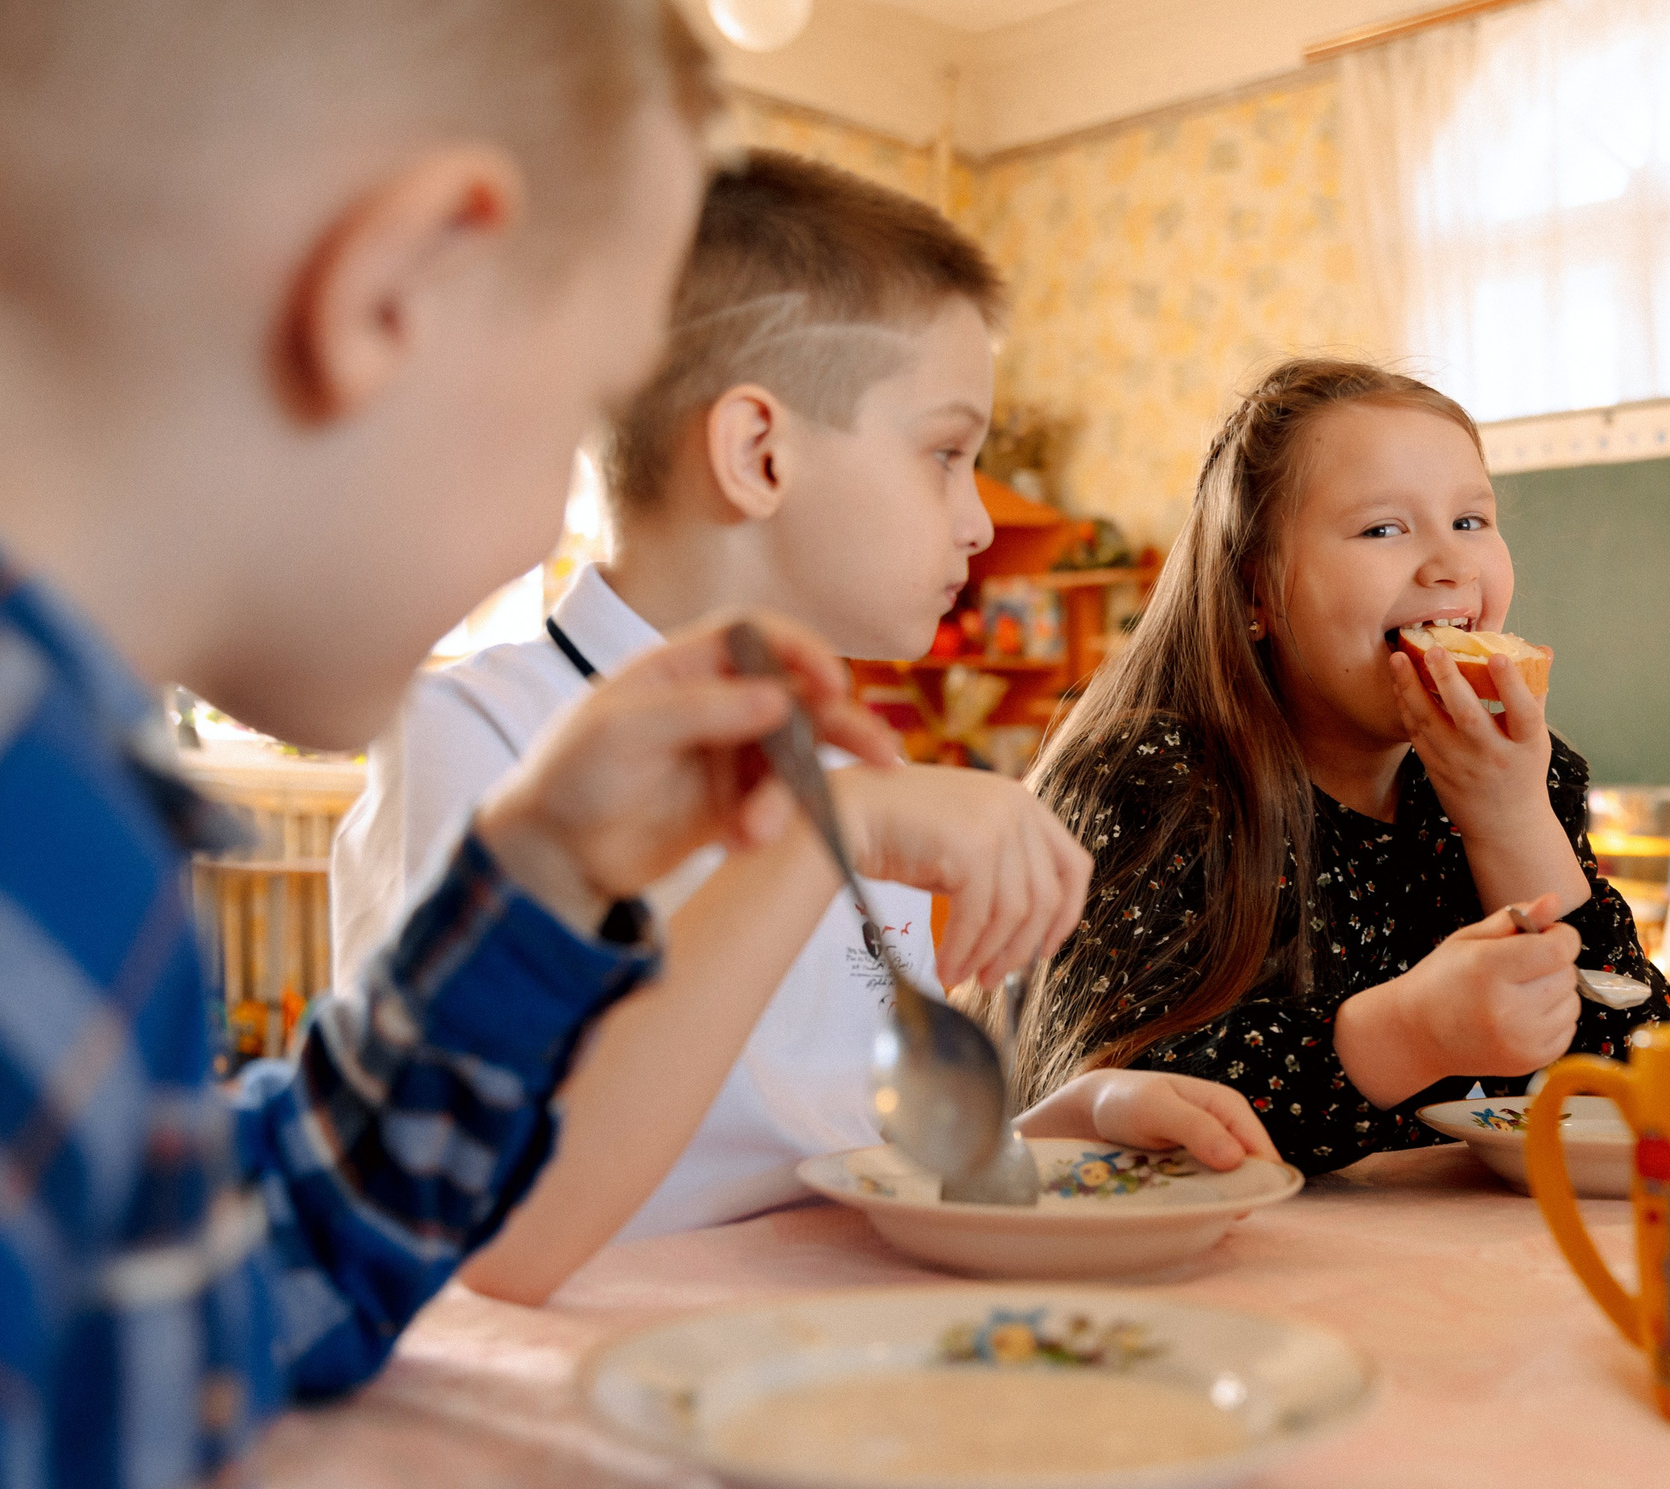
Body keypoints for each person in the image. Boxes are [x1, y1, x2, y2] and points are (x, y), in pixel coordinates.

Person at [0, 6, 888, 1489]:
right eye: (581, 405)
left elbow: (197, 1289)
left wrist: (537, 879)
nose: (548, 520)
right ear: (391, 292)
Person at [334, 148, 1272, 1303]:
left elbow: (832, 1149)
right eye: (945, 454)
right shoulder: (476, 737)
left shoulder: (847, 767)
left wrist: (1062, 1119)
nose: (980, 521)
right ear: (759, 454)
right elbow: (481, 1230)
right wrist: (824, 830)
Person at [1010, 358, 1670, 1174]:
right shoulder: (1153, 781)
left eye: (1471, 519)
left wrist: (1510, 821)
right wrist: (1406, 1033)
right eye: (1383, 529)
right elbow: (1114, 1104)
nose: (1451, 565)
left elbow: (1632, 1085)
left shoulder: (1520, 773)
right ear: (1256, 591)